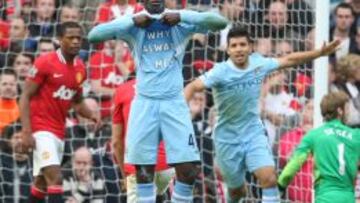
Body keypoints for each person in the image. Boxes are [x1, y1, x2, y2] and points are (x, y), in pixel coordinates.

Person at [88, 0, 228, 201]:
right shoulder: (134, 24)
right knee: (144, 173)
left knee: (188, 171)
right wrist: (133, 21)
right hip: (145, 104)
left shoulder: (179, 22)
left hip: (174, 102)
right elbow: (94, 35)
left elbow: (220, 22)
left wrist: (182, 16)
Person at [184, 26, 340, 203]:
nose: (238, 49)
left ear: (250, 47)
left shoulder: (259, 64)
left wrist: (319, 53)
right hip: (227, 138)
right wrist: (179, 116)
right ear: (228, 49)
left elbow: (288, 59)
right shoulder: (220, 72)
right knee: (237, 192)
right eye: (234, 45)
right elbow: (192, 87)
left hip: (253, 133)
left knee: (269, 178)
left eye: (242, 44)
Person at [18, 22, 100, 203]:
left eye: (78, 38)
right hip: (41, 130)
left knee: (41, 184)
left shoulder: (80, 69)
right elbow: (24, 96)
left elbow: (77, 103)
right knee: (56, 179)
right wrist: (26, 131)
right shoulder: (45, 62)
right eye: (70, 38)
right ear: (59, 40)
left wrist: (92, 114)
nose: (76, 42)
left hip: (58, 132)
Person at [278, 91, 360, 203]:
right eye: (347, 108)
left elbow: (295, 163)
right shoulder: (356, 135)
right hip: (347, 197)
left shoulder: (314, 135)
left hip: (324, 197)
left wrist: (280, 185)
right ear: (340, 111)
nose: (349, 112)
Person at [112, 76, 175, 202]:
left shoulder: (122, 90)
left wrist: (124, 175)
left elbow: (116, 142)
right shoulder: (169, 87)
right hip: (166, 167)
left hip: (137, 166)